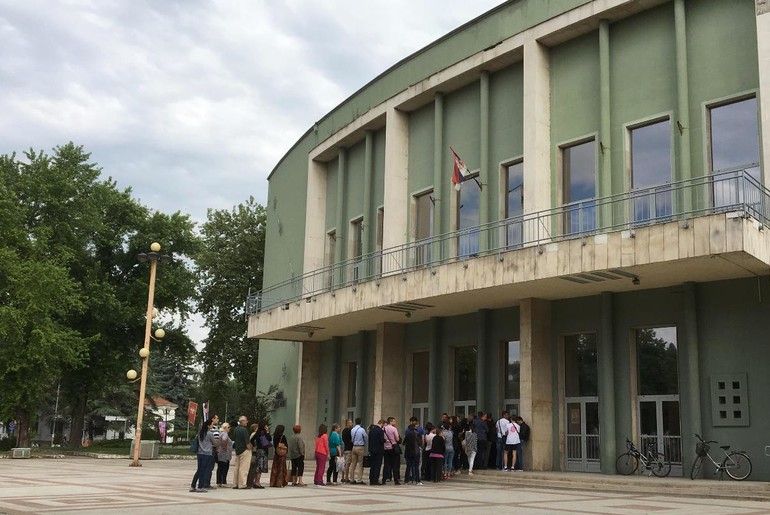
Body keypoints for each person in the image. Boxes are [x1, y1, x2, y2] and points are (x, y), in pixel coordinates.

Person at [190, 418, 217, 492]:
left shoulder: (200, 433)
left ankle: (193, 485)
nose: (212, 426)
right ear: (208, 425)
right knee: (203, 470)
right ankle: (200, 486)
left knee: (199, 470)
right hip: (207, 453)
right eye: (211, 424)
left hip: (200, 453)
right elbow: (215, 443)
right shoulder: (209, 434)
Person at [248, 423, 271, 489]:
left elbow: (251, 440)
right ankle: (257, 482)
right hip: (263, 451)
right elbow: (269, 439)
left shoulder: (257, 433)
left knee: (258, 466)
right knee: (260, 467)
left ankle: (256, 481)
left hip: (258, 450)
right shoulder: (263, 433)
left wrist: (255, 446)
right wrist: (268, 432)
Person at [232, 416, 251, 489]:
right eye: (246, 420)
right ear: (242, 421)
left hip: (238, 450)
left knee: (237, 468)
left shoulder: (236, 429)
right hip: (244, 450)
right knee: (244, 468)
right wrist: (250, 448)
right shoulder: (244, 430)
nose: (247, 422)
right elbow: (247, 442)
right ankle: (242, 484)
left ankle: (235, 484)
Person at [382, 417, 402, 485]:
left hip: (386, 448)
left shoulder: (383, 428)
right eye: (394, 421)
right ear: (390, 422)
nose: (395, 423)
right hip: (393, 448)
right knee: (395, 465)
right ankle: (396, 480)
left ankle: (384, 479)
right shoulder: (394, 429)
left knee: (386, 464)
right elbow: (397, 438)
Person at [349, 418, 367, 485]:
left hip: (354, 447)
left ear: (355, 422)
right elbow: (366, 437)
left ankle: (352, 479)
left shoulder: (352, 430)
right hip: (360, 447)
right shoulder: (362, 430)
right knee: (360, 464)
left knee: (353, 464)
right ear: (361, 422)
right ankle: (359, 479)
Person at [368, 420, 386, 485]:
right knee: (377, 465)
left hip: (372, 450)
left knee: (372, 465)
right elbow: (382, 440)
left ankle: (371, 480)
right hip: (379, 450)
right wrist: (385, 440)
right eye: (384, 425)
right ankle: (375, 480)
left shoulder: (371, 430)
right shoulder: (380, 431)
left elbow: (369, 441)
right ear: (381, 424)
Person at [215, 422, 233, 487]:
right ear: (225, 428)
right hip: (225, 454)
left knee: (220, 468)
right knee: (225, 468)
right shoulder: (225, 434)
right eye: (228, 427)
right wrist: (225, 447)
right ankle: (223, 482)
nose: (229, 429)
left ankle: (219, 481)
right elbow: (224, 440)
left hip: (220, 454)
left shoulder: (220, 433)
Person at [341, 419, 353, 483]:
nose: (351, 424)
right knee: (347, 464)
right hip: (349, 449)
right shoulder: (350, 431)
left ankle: (342, 477)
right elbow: (351, 440)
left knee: (344, 464)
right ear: (347, 423)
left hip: (344, 449)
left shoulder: (343, 431)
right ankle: (346, 478)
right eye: (350, 423)